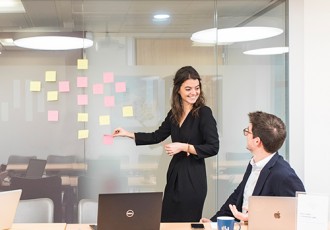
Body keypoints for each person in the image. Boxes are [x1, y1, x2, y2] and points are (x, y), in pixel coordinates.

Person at [113, 66, 219, 222]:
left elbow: (213, 147)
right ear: (178, 90)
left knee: (185, 223)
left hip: (193, 177)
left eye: (197, 88)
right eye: (188, 88)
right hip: (175, 174)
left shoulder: (204, 113)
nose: (193, 92)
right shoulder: (174, 113)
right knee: (166, 221)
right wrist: (127, 133)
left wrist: (183, 146)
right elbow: (156, 136)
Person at [200, 111, 305, 223]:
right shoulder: (253, 164)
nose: (246, 135)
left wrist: (257, 217)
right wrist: (214, 223)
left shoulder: (283, 174)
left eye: (247, 132)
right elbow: (237, 198)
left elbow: (300, 213)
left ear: (257, 141)